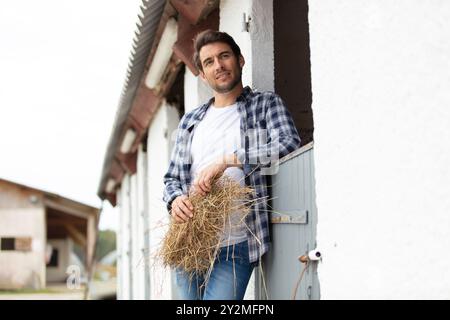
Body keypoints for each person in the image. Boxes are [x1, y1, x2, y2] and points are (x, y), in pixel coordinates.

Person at [163, 30, 301, 300]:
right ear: (202, 74)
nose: (219, 65)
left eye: (224, 56)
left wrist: (229, 160)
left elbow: (288, 142)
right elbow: (172, 179)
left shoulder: (264, 105)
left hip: (236, 244)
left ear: (240, 60)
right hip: (189, 239)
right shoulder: (190, 121)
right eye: (209, 62)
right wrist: (175, 200)